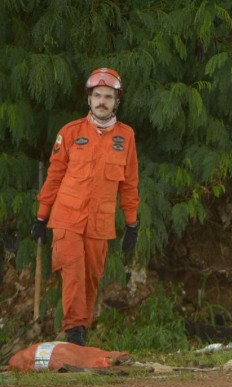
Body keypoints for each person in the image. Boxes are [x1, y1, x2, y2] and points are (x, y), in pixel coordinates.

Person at [31, 68, 140, 346]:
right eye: (97, 96)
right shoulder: (70, 132)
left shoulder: (126, 137)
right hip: (67, 218)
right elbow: (54, 177)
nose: (102, 101)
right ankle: (74, 332)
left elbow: (129, 184)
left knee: (91, 278)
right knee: (74, 275)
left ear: (117, 101)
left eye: (108, 96)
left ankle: (80, 334)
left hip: (99, 224)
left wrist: (132, 223)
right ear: (89, 100)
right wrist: (41, 218)